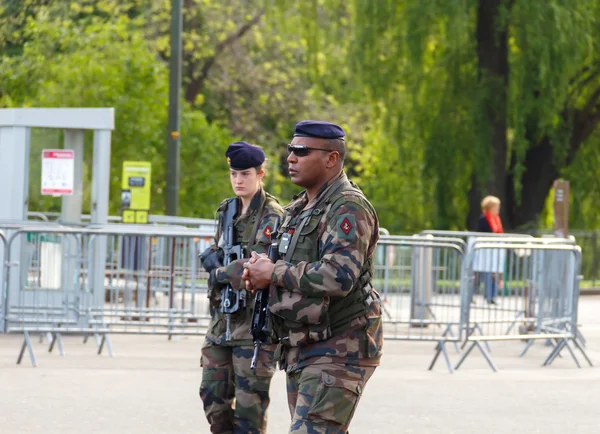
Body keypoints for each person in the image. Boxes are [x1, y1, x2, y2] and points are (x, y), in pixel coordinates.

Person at [243, 121, 383, 433]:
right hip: (304, 345)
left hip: (340, 346)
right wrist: (259, 273)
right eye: (290, 150)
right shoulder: (299, 208)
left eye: (301, 152)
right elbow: (284, 263)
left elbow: (338, 276)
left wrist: (274, 272)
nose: (291, 158)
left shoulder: (347, 207)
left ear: (331, 158)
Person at [199, 141, 284, 434]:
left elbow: (252, 268)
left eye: (245, 174)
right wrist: (214, 258)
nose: (238, 180)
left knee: (250, 412)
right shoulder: (226, 210)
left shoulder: (272, 215)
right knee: (212, 397)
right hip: (222, 320)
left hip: (253, 326)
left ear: (261, 174)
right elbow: (223, 251)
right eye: (234, 174)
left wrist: (218, 270)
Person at [476, 195, 504, 304]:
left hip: (494, 251)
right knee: (486, 275)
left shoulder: (496, 219)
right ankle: (487, 295)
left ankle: (492, 295)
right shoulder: (484, 219)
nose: (498, 209)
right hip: (486, 252)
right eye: (496, 207)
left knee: (494, 275)